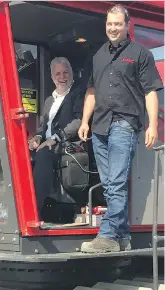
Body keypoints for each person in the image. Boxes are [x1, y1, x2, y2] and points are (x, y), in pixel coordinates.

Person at [78, 4, 163, 253]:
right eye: (109, 24)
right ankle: (122, 236)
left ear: (127, 26)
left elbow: (150, 91)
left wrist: (152, 125)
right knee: (109, 185)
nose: (113, 28)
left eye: (118, 24)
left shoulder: (141, 54)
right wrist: (85, 121)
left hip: (124, 123)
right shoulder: (98, 56)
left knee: (115, 183)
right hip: (100, 125)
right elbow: (91, 91)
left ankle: (106, 236)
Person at [29, 57, 86, 220]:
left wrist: (55, 138)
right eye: (58, 74)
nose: (62, 77)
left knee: (43, 154)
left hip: (67, 143)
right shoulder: (49, 100)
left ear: (72, 73)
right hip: (48, 143)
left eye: (66, 72)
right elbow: (42, 127)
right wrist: (38, 137)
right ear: (52, 77)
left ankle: (35, 212)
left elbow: (78, 121)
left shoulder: (78, 94)